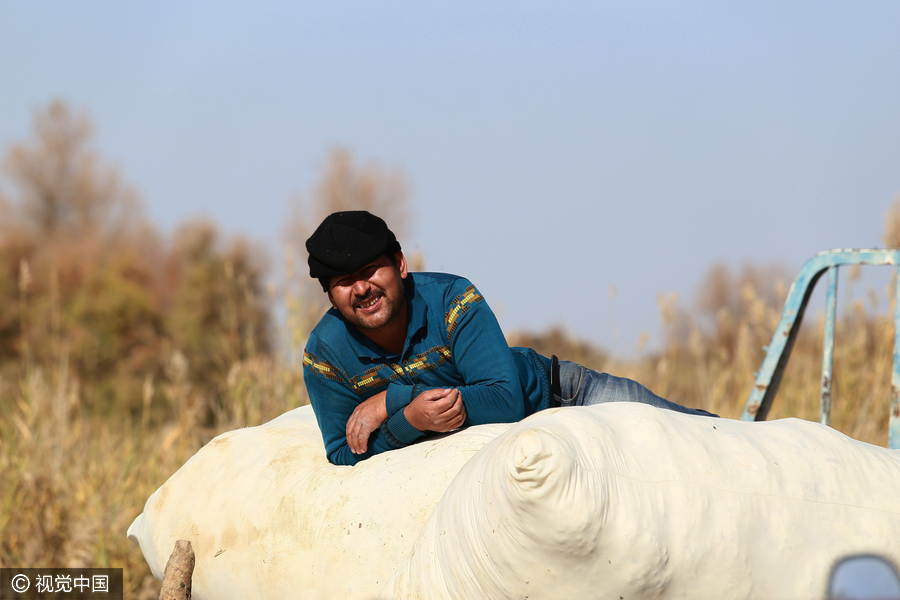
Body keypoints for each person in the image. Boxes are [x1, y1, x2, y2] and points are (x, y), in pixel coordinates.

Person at [303, 211, 716, 466]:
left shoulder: (452, 298)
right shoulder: (324, 355)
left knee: (698, 439)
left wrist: (390, 402)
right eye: (344, 281)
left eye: (371, 270)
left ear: (400, 264)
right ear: (329, 294)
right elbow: (342, 451)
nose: (361, 289)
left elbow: (504, 400)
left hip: (560, 397)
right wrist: (410, 417)